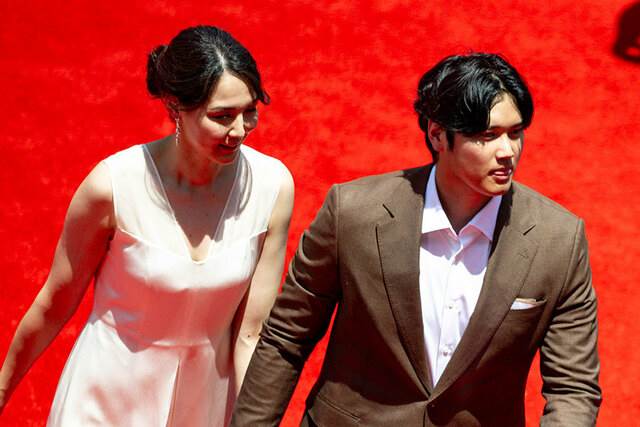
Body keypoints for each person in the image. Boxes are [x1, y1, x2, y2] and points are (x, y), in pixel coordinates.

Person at [231, 53, 601, 426]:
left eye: (515, 133)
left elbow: (574, 388)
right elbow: (286, 338)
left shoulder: (559, 240)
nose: (508, 151)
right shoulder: (353, 214)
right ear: (437, 134)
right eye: (487, 136)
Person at [0, 25, 293, 426]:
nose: (239, 131)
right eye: (222, 117)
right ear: (175, 107)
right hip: (104, 402)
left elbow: (251, 334)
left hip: (204, 406)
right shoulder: (112, 186)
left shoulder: (272, 186)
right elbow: (56, 302)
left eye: (250, 111)